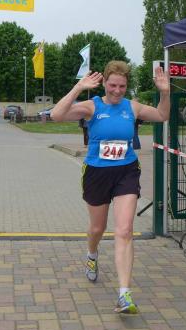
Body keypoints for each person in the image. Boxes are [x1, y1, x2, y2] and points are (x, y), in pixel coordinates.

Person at [51, 60, 169, 314]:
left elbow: (162, 115)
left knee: (124, 230)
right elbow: (56, 115)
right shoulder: (92, 106)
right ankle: (92, 255)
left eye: (122, 86)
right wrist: (78, 87)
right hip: (97, 173)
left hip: (126, 171)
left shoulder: (132, 107)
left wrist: (165, 93)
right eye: (113, 85)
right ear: (104, 82)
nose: (117, 91)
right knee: (97, 228)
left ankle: (124, 294)